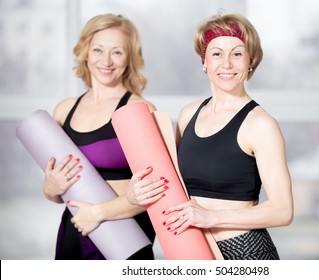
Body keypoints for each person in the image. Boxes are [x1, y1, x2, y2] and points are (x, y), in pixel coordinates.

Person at [128, 12, 293, 260]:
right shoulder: (188, 114)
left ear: (251, 60)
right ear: (204, 60)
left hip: (244, 252)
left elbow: (283, 211)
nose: (226, 64)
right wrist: (134, 194)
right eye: (217, 53)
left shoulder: (260, 124)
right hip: (191, 250)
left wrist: (210, 217)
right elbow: (173, 184)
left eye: (237, 53)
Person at [42, 14, 167, 260]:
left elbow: (159, 189)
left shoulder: (139, 110)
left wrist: (99, 213)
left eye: (117, 52)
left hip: (124, 235)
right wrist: (49, 189)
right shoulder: (64, 110)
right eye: (98, 50)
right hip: (75, 228)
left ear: (129, 58)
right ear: (85, 52)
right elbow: (55, 189)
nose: (106, 61)